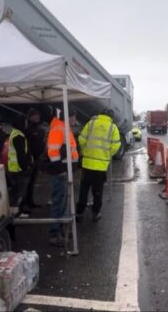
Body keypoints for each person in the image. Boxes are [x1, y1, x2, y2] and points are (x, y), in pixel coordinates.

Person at [76, 108, 121, 222]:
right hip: (101, 166)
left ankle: (79, 213)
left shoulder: (91, 123)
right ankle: (95, 213)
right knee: (97, 192)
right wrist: (106, 154)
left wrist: (86, 151)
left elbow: (81, 139)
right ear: (111, 117)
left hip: (87, 164)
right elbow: (116, 145)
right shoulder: (113, 127)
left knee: (83, 190)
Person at [45, 105, 79, 247]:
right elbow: (53, 152)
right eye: (74, 117)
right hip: (60, 172)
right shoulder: (59, 128)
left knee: (61, 202)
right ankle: (54, 233)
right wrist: (61, 170)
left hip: (63, 172)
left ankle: (58, 230)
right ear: (69, 117)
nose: (75, 120)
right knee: (58, 202)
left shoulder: (63, 128)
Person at [6, 115, 32, 215]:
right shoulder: (19, 136)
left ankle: (15, 213)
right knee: (18, 193)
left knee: (15, 192)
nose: (26, 124)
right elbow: (21, 154)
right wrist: (26, 166)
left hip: (13, 168)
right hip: (18, 169)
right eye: (25, 122)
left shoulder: (14, 133)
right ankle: (15, 214)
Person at [23, 108, 47, 210]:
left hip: (38, 160)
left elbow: (43, 144)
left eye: (37, 115)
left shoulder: (41, 130)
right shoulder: (27, 130)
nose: (37, 117)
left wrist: (43, 155)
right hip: (29, 160)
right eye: (34, 115)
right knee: (26, 183)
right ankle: (23, 204)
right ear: (30, 117)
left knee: (32, 182)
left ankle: (30, 202)